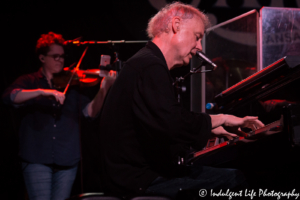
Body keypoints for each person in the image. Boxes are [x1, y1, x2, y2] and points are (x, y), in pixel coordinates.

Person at [98, 2, 264, 199]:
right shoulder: (149, 65)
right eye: (197, 37)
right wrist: (222, 118)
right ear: (176, 25)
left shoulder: (145, 62)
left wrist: (209, 128)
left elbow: (160, 121)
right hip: (140, 180)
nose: (199, 47)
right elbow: (172, 123)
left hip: (135, 176)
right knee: (235, 180)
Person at [2, 32, 116, 200]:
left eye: (62, 56)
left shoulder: (71, 83)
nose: (60, 60)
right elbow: (9, 97)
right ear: (42, 58)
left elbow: (90, 113)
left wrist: (104, 89)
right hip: (36, 158)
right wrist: (42, 92)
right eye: (55, 56)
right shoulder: (30, 81)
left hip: (67, 159)